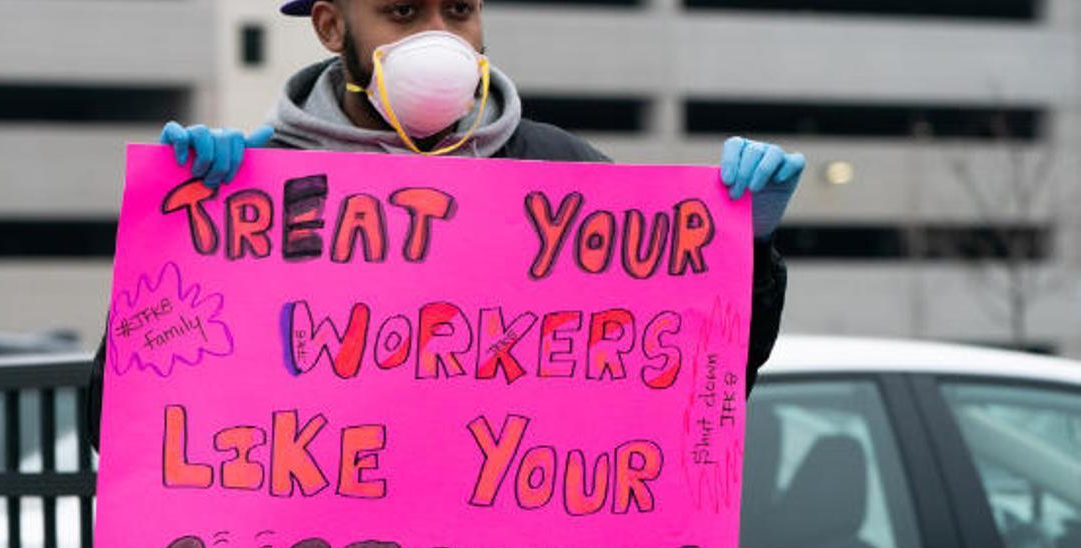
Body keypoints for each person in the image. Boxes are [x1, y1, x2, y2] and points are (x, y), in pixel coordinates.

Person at [88, 0, 805, 450]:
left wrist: (750, 252)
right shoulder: (253, 192)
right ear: (332, 25)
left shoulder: (568, 177)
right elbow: (111, 427)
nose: (441, 37)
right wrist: (187, 237)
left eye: (458, 10)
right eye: (403, 12)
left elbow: (702, 388)